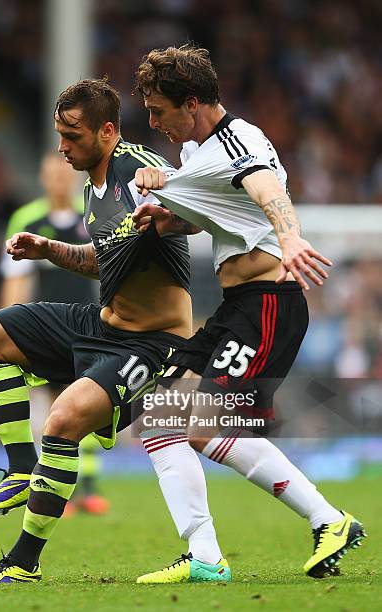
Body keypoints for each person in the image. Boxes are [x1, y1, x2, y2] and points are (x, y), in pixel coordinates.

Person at [0, 78, 229, 584]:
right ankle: (21, 467)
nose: (63, 147)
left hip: (154, 344)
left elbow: (195, 212)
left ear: (107, 131)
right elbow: (103, 258)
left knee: (61, 421)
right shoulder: (93, 182)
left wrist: (170, 198)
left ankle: (21, 563)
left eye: (73, 136)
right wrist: (48, 250)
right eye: (59, 135)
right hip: (101, 326)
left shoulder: (138, 168)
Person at [130, 44, 366, 582]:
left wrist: (290, 238)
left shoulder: (239, 140)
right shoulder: (194, 154)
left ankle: (328, 519)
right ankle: (205, 558)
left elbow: (266, 190)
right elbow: (207, 216)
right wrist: (163, 218)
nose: (151, 121)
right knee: (162, 420)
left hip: (269, 306)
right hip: (239, 307)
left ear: (191, 103)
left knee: (202, 422)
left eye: (158, 110)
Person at [0, 153, 108, 518]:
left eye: (64, 173)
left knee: (84, 403)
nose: (59, 180)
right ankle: (54, 486)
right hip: (48, 325)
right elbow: (15, 276)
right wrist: (7, 325)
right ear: (43, 179)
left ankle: (85, 489)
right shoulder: (27, 219)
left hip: (91, 322)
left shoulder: (91, 212)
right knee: (56, 404)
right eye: (51, 174)